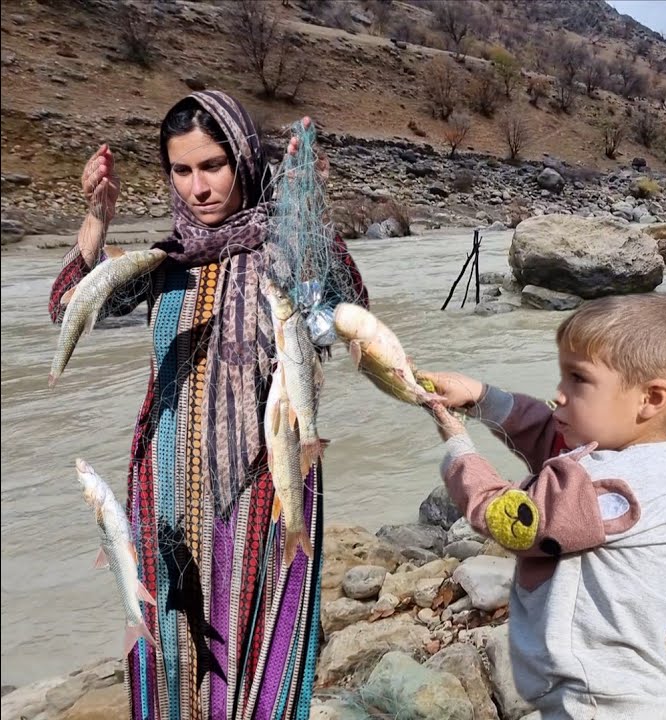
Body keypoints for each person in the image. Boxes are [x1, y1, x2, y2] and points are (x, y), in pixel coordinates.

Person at [48, 90, 368, 720]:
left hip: (270, 486)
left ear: (244, 160)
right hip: (166, 491)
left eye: (213, 165)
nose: (198, 187)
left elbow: (350, 309)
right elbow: (67, 309)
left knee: (263, 656)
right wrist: (96, 222)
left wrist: (311, 214)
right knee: (174, 654)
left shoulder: (286, 250)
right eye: (182, 170)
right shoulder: (160, 263)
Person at [420, 292, 666, 720]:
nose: (558, 394)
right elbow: (554, 443)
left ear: (650, 399)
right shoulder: (637, 457)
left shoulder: (623, 486)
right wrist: (481, 397)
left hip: (602, 707)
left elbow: (514, 519)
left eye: (578, 379)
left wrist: (458, 447)